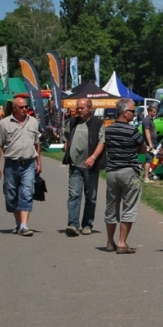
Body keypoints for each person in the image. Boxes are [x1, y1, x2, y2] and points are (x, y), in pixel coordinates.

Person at [0, 97, 42, 237]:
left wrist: (39, 162)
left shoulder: (33, 122)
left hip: (28, 164)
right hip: (11, 164)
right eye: (21, 107)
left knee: (27, 193)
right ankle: (18, 222)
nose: (25, 109)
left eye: (26, 106)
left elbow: (37, 144)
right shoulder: (4, 123)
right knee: (11, 196)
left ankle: (24, 226)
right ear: (14, 108)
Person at [104, 98, 146, 254]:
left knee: (111, 207)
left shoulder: (108, 129)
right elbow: (143, 148)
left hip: (111, 171)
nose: (134, 114)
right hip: (128, 170)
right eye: (132, 111)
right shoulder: (132, 130)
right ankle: (122, 243)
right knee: (129, 207)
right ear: (124, 112)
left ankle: (109, 241)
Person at [62, 98, 106, 237]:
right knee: (74, 195)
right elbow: (66, 138)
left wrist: (93, 157)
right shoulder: (73, 122)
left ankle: (87, 224)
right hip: (75, 166)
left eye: (82, 108)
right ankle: (73, 225)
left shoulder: (98, 123)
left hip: (90, 167)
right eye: (78, 108)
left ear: (89, 108)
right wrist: (67, 147)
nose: (79, 110)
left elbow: (101, 142)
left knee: (90, 197)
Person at [142, 105, 158, 183]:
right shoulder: (147, 120)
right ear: (149, 112)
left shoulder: (150, 120)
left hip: (150, 143)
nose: (155, 113)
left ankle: (144, 176)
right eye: (154, 112)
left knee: (146, 159)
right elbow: (147, 132)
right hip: (149, 144)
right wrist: (150, 144)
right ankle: (146, 178)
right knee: (148, 159)